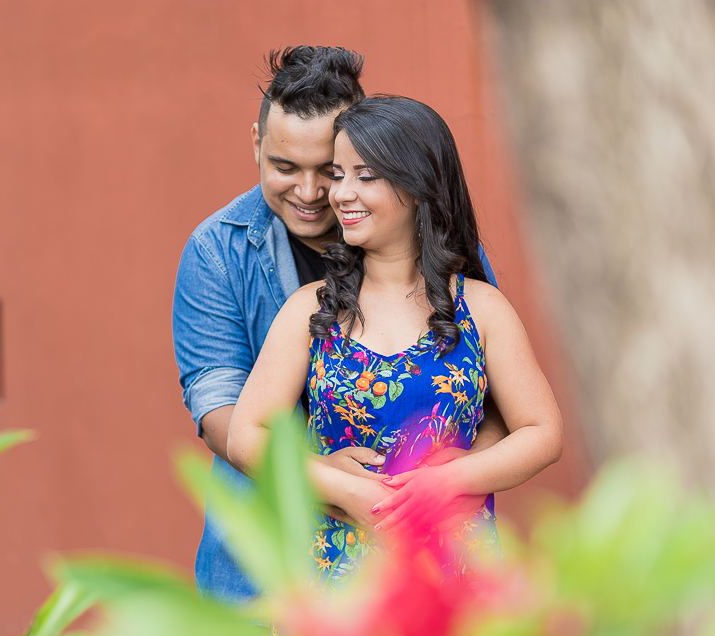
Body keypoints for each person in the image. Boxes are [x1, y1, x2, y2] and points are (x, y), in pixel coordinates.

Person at [173, 49, 503, 602]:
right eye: (284, 167)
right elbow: (219, 412)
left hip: (427, 558)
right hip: (267, 571)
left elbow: (495, 392)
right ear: (256, 144)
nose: (309, 193)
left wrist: (462, 475)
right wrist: (327, 478)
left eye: (329, 169)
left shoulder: (442, 259)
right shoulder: (217, 252)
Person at [227, 96, 562, 586]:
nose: (340, 193)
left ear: (418, 187)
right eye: (338, 174)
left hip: (456, 575)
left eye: (365, 176)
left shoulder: (481, 308)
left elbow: (542, 431)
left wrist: (452, 479)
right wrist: (343, 489)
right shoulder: (309, 310)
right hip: (339, 584)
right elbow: (245, 437)